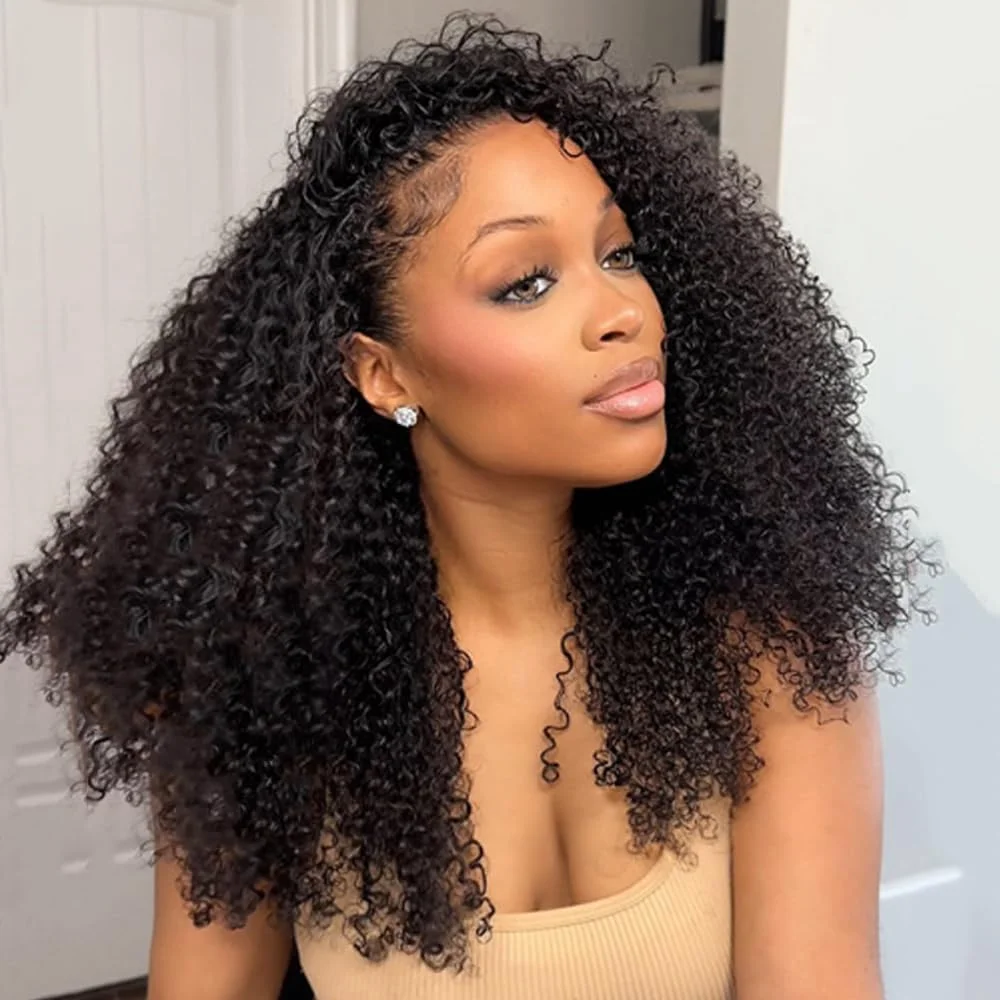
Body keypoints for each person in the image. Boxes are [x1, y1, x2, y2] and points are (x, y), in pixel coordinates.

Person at [0, 13, 932, 1000]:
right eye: (525, 282)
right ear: (383, 373)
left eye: (619, 253)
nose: (625, 312)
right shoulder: (268, 680)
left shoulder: (768, 650)